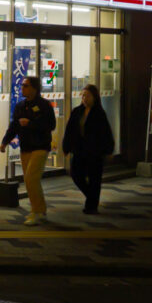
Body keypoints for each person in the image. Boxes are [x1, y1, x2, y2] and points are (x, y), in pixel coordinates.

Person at [0, 76, 56, 226]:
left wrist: (31, 124)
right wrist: (5, 141)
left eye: (25, 85)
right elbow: (14, 126)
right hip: (26, 148)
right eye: (22, 85)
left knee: (31, 179)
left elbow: (51, 125)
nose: (22, 88)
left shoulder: (44, 105)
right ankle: (40, 209)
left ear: (34, 88)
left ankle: (36, 212)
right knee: (30, 180)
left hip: (40, 147)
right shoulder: (20, 106)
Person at [62, 84, 114, 214]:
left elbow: (106, 133)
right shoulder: (77, 111)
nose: (84, 98)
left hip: (95, 152)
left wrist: (108, 150)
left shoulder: (99, 113)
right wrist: (66, 147)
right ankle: (92, 198)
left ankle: (91, 206)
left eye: (87, 95)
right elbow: (69, 131)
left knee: (94, 179)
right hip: (79, 150)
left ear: (94, 97)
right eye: (83, 95)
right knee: (76, 175)